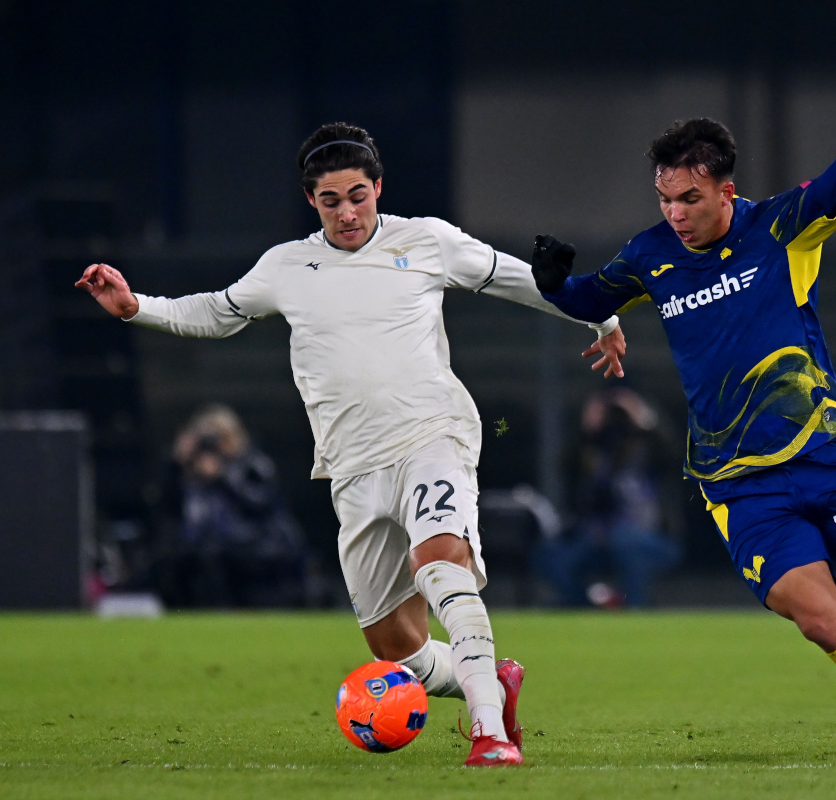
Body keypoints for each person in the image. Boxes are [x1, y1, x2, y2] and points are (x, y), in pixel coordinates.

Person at [75, 122, 626, 767]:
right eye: (331, 200)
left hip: (432, 434)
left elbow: (524, 278)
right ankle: (491, 681)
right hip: (352, 468)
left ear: (378, 188)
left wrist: (602, 315)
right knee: (395, 646)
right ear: (311, 200)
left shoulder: (426, 240)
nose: (348, 212)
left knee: (442, 563)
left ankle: (489, 734)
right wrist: (135, 305)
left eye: (358, 195)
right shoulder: (287, 266)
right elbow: (219, 311)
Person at [529, 60, 836, 763]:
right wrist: (554, 281)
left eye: (690, 198)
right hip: (738, 485)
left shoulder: (782, 229)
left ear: (726, 190)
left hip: (825, 459)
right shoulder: (650, 256)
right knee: (821, 620)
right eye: (665, 198)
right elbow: (590, 299)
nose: (675, 213)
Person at [539, 388, 681, 607]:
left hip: (648, 537)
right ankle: (581, 608)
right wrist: (587, 430)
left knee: (625, 543)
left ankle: (635, 612)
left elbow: (673, 458)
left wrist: (643, 421)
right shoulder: (591, 449)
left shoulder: (648, 448)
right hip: (595, 538)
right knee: (550, 555)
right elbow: (564, 468)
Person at [156, 404, 307, 608]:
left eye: (219, 438)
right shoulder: (193, 472)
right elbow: (169, 507)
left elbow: (262, 503)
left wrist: (223, 476)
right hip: (207, 545)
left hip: (255, 541)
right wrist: (177, 463)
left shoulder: (252, 463)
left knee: (219, 557)